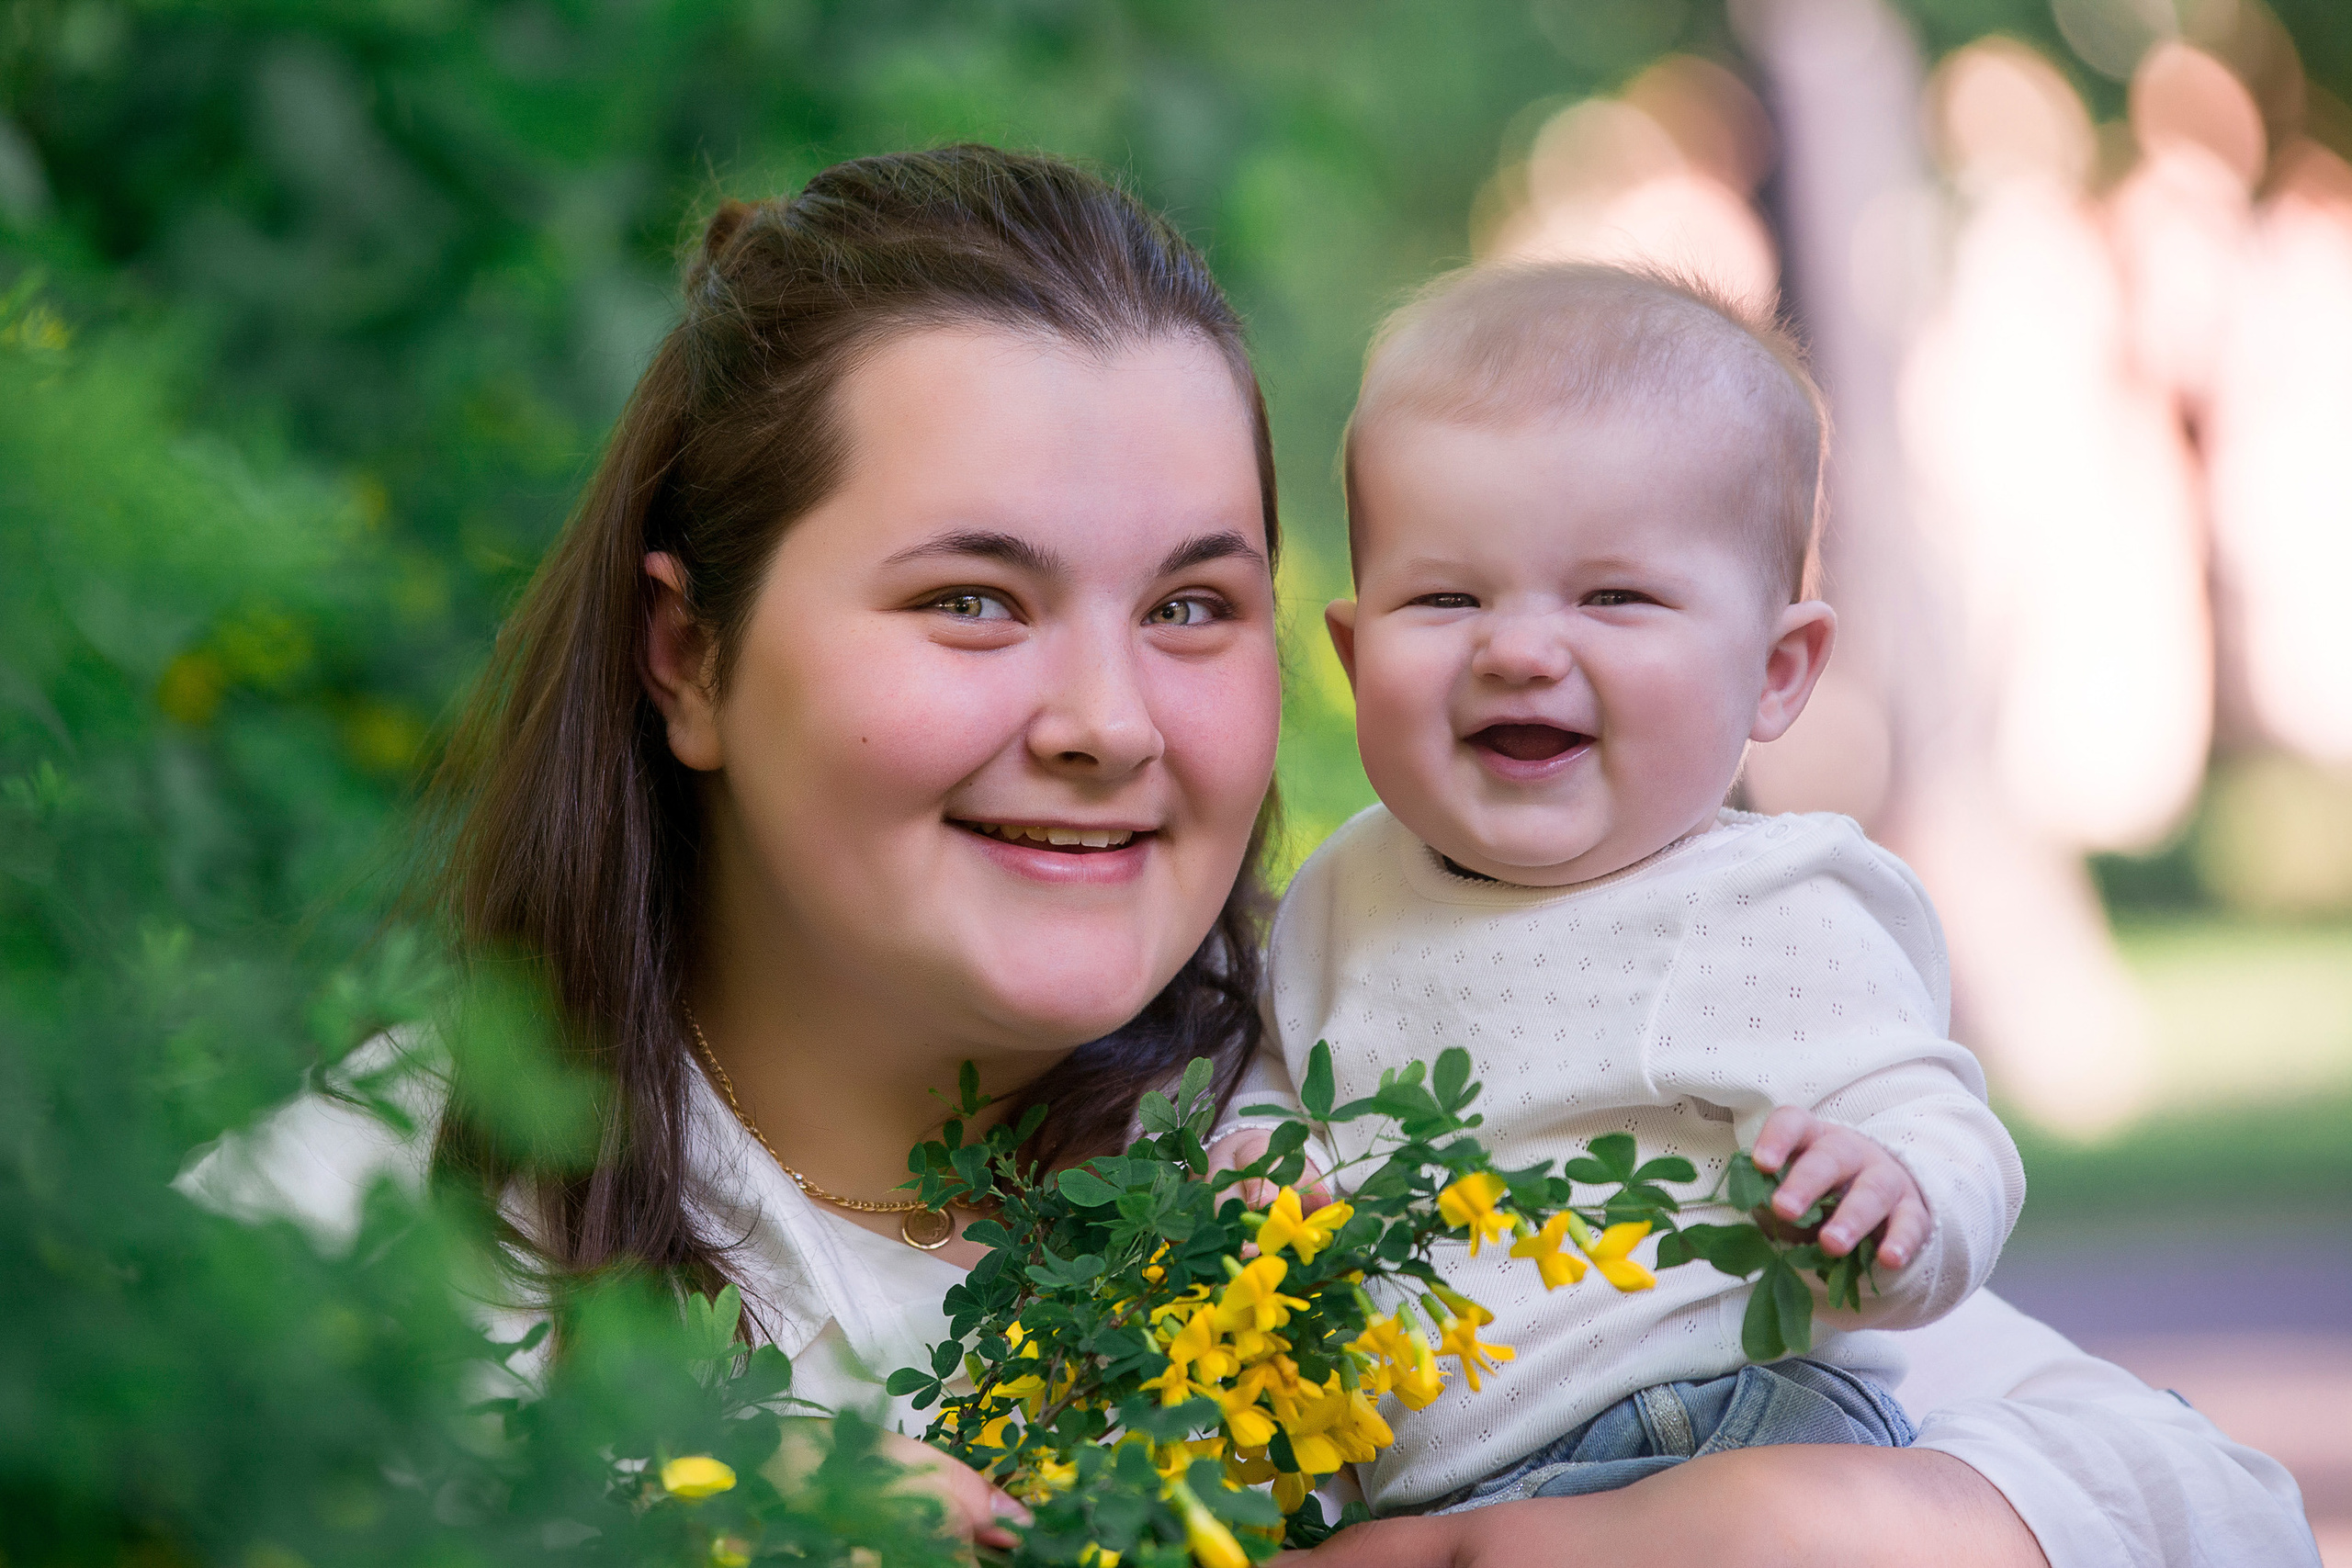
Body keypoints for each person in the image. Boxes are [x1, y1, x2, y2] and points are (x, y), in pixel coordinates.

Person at [182, 146, 2319, 1567]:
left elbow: (2204, 1499)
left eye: (1188, 604)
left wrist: (1597, 1544)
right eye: (972, 601)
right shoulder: (388, 1220)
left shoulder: (1388, 1105)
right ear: (693, 655)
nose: (1107, 718)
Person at [1218, 261, 2023, 1516]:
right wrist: (1258, 1149)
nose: (1521, 648)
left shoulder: (1774, 906)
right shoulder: (1341, 890)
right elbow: (1292, 1070)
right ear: (1354, 648)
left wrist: (1893, 1191)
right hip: (1430, 1481)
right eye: (1445, 597)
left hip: (1721, 1421)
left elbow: (1941, 1123)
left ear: (1776, 670)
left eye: (1614, 597)